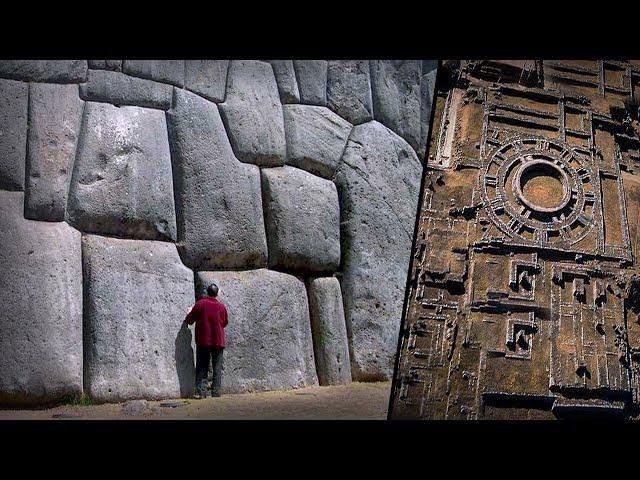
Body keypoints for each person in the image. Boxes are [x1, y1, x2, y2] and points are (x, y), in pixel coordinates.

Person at [184, 283, 228, 398]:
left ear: (207, 292)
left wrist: (189, 312)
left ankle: (202, 392)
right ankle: (216, 392)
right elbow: (224, 322)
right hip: (218, 341)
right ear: (217, 293)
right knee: (217, 367)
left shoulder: (200, 304)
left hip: (203, 340)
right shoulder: (222, 307)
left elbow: (190, 320)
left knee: (202, 366)